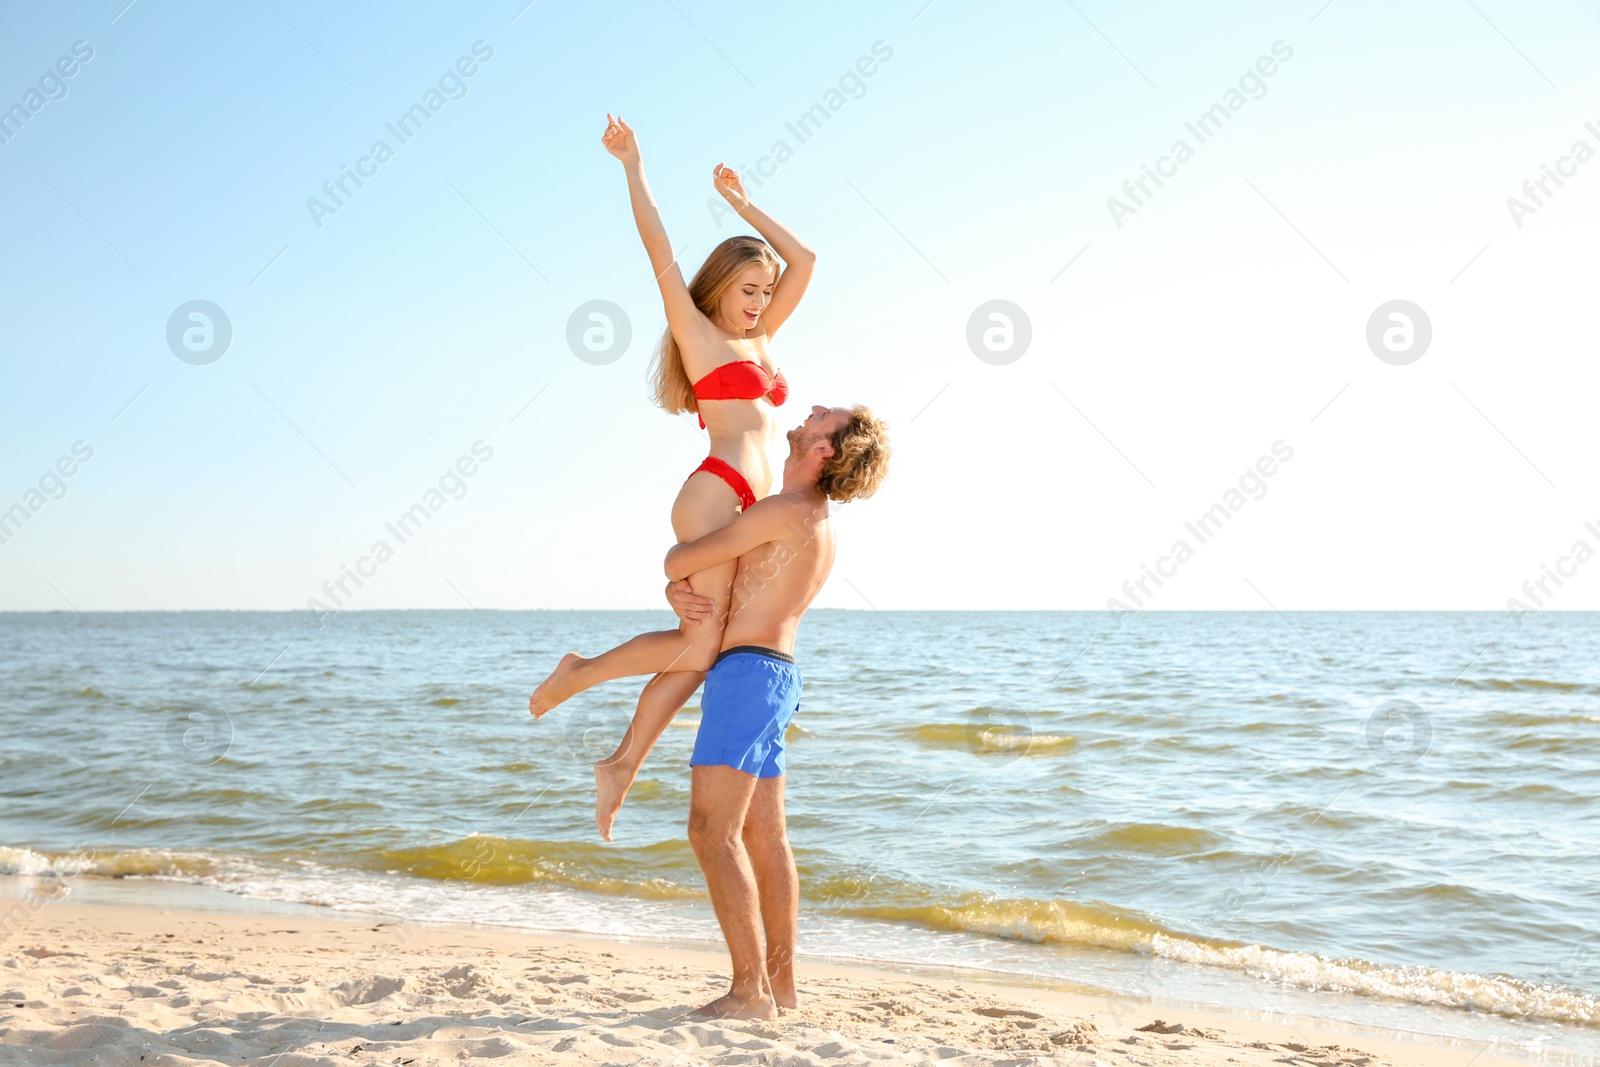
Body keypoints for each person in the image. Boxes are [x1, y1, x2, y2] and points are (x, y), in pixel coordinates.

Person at [528, 114, 816, 840]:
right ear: (719, 287)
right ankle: (581, 675)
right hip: (716, 492)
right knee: (698, 647)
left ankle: (622, 761)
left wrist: (746, 206)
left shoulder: (760, 338)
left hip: (747, 504)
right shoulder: (699, 332)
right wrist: (633, 165)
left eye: (764, 291)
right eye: (748, 288)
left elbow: (808, 260)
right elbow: (656, 242)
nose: (759, 301)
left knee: (703, 652)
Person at [661, 403, 890, 1018]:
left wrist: (670, 578)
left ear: (826, 451)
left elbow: (686, 559)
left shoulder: (781, 511)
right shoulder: (811, 518)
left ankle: (749, 992)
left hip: (746, 676)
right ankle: (781, 989)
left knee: (712, 831)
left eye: (824, 417)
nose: (811, 410)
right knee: (766, 837)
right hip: (776, 675)